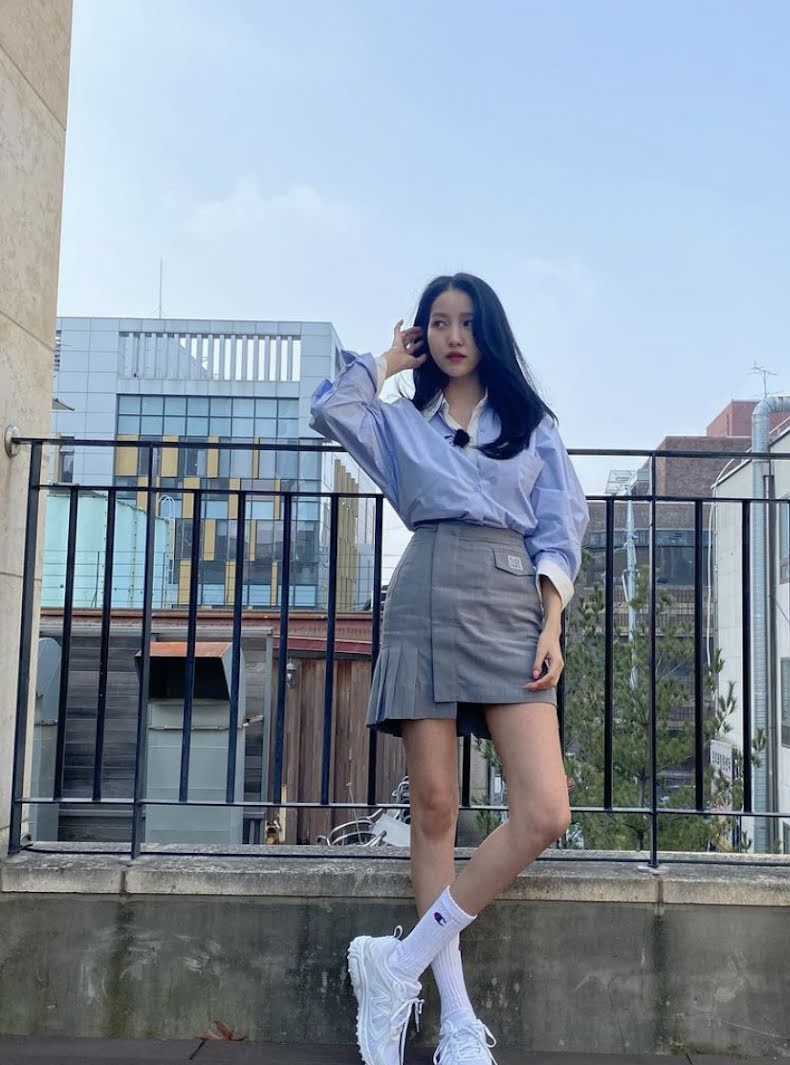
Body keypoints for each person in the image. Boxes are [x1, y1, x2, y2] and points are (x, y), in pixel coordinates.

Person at [310, 272, 588, 1065]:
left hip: (509, 600)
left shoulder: (530, 423)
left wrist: (552, 621)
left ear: (487, 330)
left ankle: (396, 964)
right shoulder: (402, 421)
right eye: (437, 322)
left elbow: (560, 524)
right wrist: (385, 361)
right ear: (422, 333)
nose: (452, 335)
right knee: (434, 806)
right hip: (426, 590)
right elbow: (331, 409)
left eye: (465, 321)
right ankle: (458, 1020)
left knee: (545, 809)